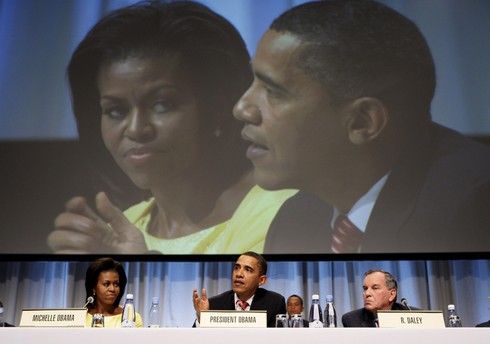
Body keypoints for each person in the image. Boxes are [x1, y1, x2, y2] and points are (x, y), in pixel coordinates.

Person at [232, 0, 490, 254]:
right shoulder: (294, 219)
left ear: (362, 122)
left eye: (273, 91)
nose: (242, 109)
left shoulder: (474, 212)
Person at [46, 1, 296, 254]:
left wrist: (142, 273)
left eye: (162, 105)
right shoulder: (122, 229)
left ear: (218, 108)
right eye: (115, 111)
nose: (135, 129)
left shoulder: (283, 214)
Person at [192, 251, 286, 327]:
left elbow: (279, 339)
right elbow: (194, 339)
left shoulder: (275, 302)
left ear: (261, 280)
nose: (239, 274)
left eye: (248, 270)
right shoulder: (214, 304)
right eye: (236, 268)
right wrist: (202, 318)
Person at [84, 257, 143, 327]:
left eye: (116, 284)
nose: (112, 289)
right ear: (93, 287)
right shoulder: (80, 317)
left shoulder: (131, 318)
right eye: (106, 284)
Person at [342, 269, 408, 327]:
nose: (367, 294)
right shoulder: (352, 320)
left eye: (375, 288)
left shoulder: (410, 315)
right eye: (365, 289)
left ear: (392, 294)